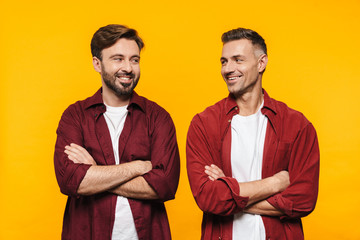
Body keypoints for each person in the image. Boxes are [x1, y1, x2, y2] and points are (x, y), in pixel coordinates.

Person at [186, 27, 319, 240]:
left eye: (238, 60)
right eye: (224, 61)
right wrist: (275, 183)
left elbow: (303, 200)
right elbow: (208, 198)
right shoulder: (203, 124)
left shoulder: (297, 125)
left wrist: (228, 194)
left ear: (261, 63)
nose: (228, 68)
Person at [54, 24, 180, 240]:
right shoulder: (75, 116)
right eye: (118, 59)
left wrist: (96, 172)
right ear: (97, 63)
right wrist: (137, 167)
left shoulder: (158, 117)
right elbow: (72, 181)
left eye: (134, 59)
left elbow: (164, 185)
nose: (128, 68)